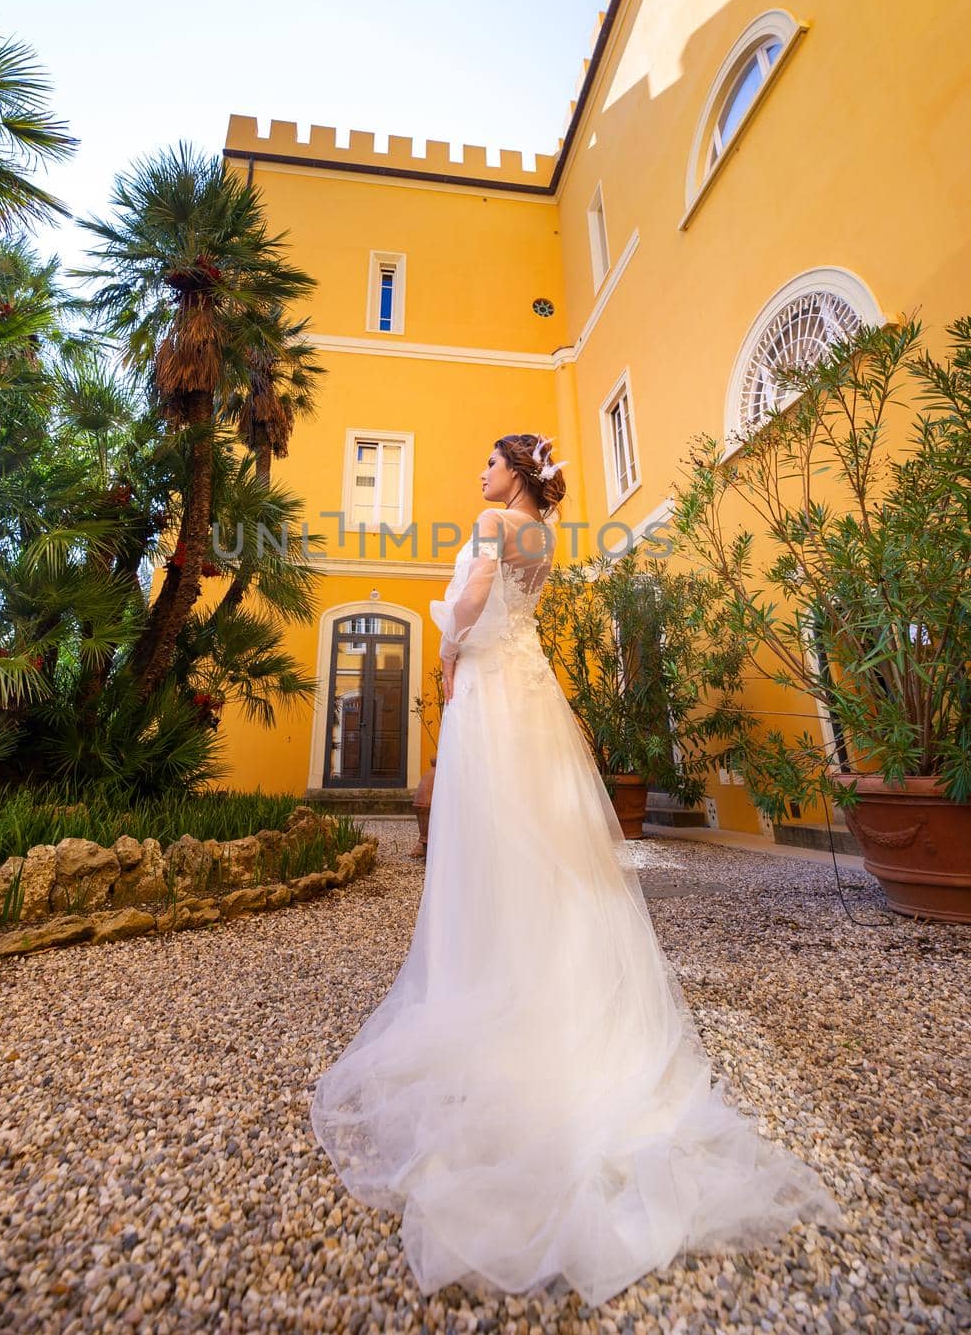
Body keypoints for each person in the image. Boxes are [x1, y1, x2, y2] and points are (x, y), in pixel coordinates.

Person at [310, 432, 846, 1308]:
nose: (478, 474)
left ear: (515, 474)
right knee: (547, 843)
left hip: (489, 690)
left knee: (493, 834)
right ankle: (557, 974)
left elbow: (478, 594)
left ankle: (493, 974)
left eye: (489, 462)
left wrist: (445, 652)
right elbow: (524, 605)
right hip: (531, 690)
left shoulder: (491, 521)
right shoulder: (548, 541)